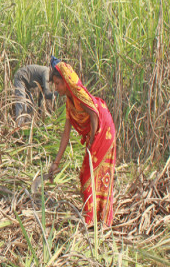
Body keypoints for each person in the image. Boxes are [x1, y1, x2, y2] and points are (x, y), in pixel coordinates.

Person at [48, 56, 116, 227]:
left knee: (89, 175)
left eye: (57, 84)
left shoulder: (79, 94)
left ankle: (92, 220)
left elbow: (94, 113)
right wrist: (56, 162)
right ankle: (95, 218)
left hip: (103, 131)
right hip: (97, 133)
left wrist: (92, 143)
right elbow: (65, 134)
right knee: (88, 174)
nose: (56, 88)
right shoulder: (70, 103)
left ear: (65, 81)